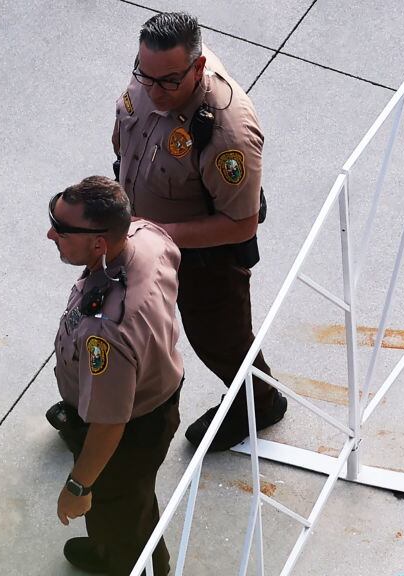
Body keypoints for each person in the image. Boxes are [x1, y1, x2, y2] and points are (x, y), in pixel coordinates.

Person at [111, 12, 286, 452]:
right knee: (119, 319)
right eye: (144, 76)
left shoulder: (228, 133)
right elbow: (128, 128)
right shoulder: (153, 74)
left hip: (204, 258)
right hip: (136, 229)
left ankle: (260, 403)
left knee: (219, 339)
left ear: (199, 67)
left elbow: (241, 222)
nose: (154, 91)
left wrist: (152, 230)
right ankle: (93, 409)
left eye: (169, 82)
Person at [46, 176, 183, 575]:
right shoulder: (147, 236)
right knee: (133, 499)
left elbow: (108, 424)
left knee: (116, 501)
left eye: (62, 229)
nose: (50, 233)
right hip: (160, 393)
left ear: (99, 243)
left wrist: (77, 487)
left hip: (129, 430)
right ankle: (112, 544)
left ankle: (127, 562)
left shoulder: (105, 328)